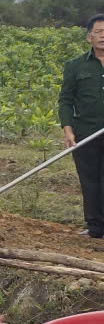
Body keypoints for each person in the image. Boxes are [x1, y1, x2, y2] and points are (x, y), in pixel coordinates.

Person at [60, 13, 104, 238]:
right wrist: (68, 129)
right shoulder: (75, 66)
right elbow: (65, 100)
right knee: (90, 181)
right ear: (89, 37)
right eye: (99, 32)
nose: (103, 36)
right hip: (85, 133)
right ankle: (95, 227)